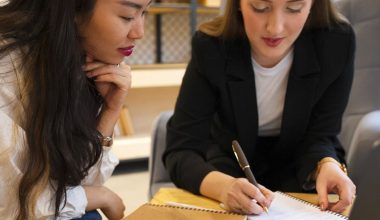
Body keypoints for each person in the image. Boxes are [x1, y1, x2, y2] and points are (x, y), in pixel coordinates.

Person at [163, 0, 357, 216]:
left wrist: (327, 165)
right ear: (238, 4)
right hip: (227, 165)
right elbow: (180, 151)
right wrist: (223, 187)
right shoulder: (211, 46)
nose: (275, 28)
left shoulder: (337, 43)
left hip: (298, 169)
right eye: (260, 7)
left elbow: (321, 136)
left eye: (294, 9)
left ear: (314, 5)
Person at [0, 0, 150, 219]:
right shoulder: (7, 66)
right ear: (75, 10)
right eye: (127, 16)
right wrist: (101, 196)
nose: (139, 33)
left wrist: (110, 109)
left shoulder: (76, 61)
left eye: (145, 13)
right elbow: (14, 203)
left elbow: (75, 181)